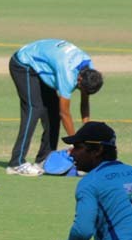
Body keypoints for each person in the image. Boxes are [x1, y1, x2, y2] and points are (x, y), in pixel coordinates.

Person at [7, 39, 103, 177]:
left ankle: (44, 158)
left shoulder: (89, 69)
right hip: (24, 64)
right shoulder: (68, 74)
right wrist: (76, 144)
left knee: (52, 112)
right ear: (79, 80)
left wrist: (86, 134)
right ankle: (16, 163)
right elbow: (65, 113)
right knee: (34, 108)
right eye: (80, 88)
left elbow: (84, 102)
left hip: (43, 68)